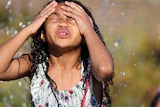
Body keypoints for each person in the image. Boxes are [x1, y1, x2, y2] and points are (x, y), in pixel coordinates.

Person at [0, 0, 114, 106]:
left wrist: (89, 30)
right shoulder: (36, 64)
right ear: (42, 34)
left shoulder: (91, 69)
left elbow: (105, 70)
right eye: (55, 18)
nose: (63, 23)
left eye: (71, 18)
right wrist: (28, 30)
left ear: (84, 36)